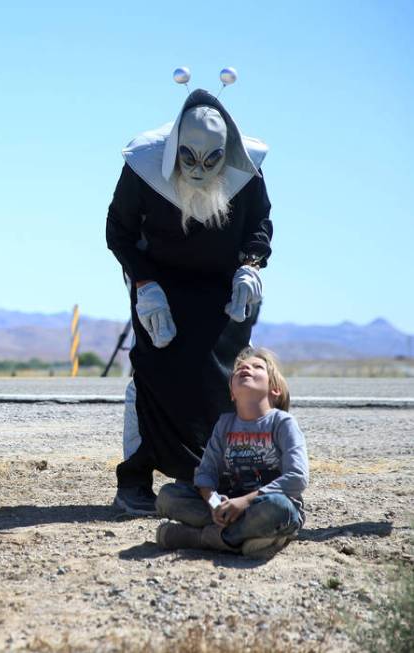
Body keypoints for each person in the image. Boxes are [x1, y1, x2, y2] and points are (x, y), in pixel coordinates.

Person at [106, 75, 272, 515]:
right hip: (158, 283)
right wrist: (144, 284)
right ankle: (135, 479)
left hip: (222, 285)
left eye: (210, 160)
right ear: (174, 148)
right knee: (154, 371)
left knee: (223, 380)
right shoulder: (142, 166)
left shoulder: (248, 169)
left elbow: (259, 224)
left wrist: (250, 268)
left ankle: (213, 476)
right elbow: (118, 231)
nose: (198, 169)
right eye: (188, 158)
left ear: (227, 155)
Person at [154, 348, 308, 558]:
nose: (246, 367)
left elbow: (297, 478)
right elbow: (205, 474)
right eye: (239, 369)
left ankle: (201, 539)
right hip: (229, 507)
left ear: (275, 389)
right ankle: (246, 538)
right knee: (169, 496)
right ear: (232, 393)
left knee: (279, 508)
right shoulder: (224, 424)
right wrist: (214, 503)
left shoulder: (282, 423)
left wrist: (244, 502)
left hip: (265, 506)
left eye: (257, 367)